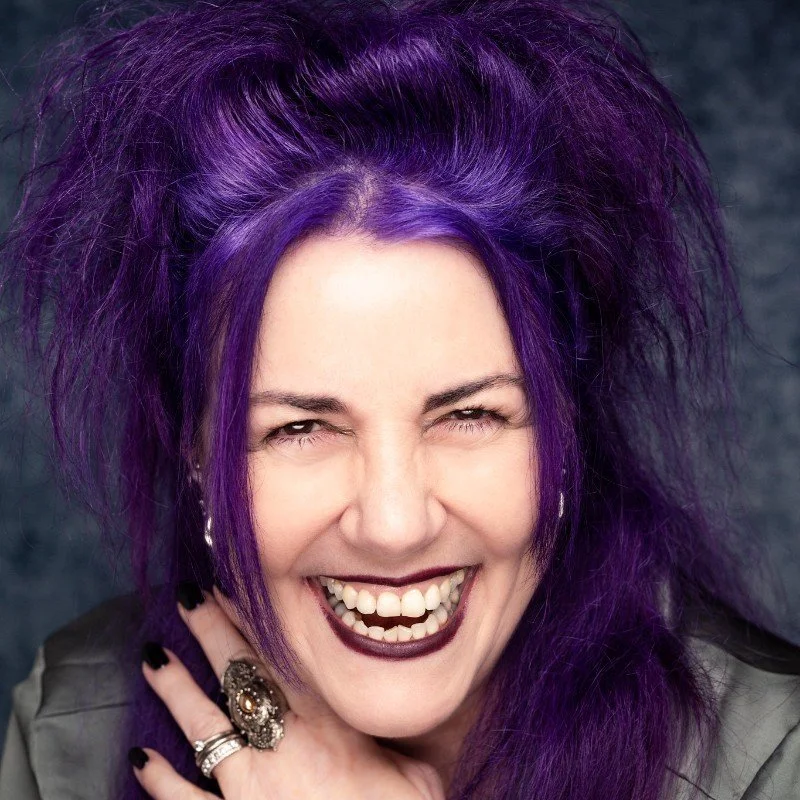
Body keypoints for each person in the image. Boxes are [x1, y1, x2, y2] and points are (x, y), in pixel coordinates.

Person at [0, 0, 798, 798]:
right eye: (301, 426)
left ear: (567, 428)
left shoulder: (773, 762)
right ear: (198, 451)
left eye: (469, 415)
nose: (393, 526)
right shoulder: (71, 727)